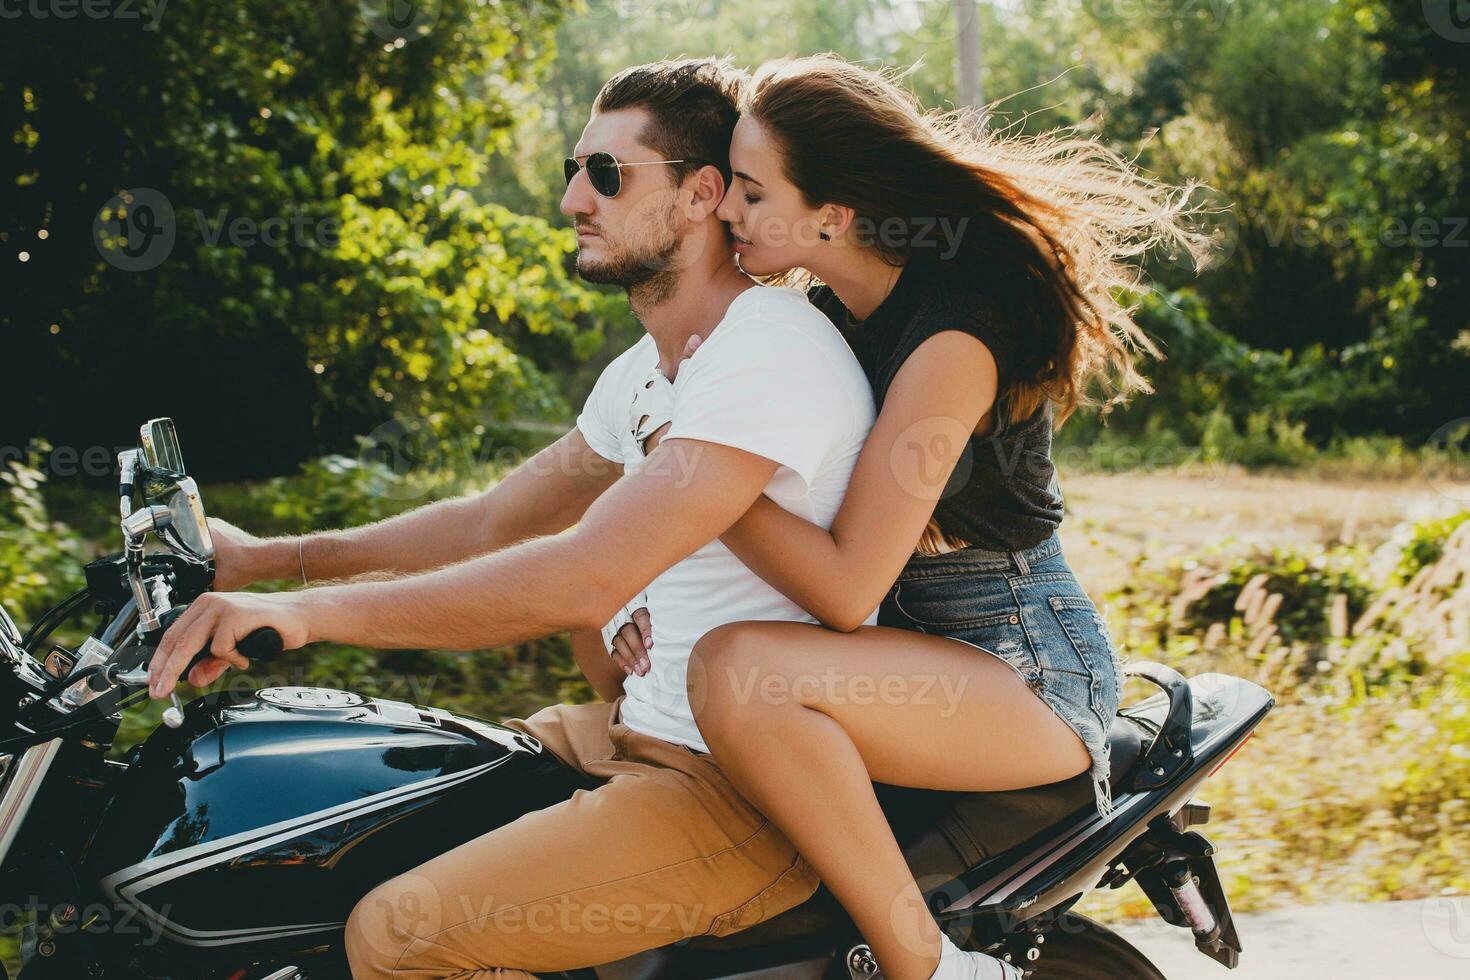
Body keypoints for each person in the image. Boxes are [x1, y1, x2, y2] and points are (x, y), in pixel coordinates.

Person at [145, 58, 880, 978]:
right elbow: (493, 521)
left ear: (702, 194)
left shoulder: (762, 350)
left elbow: (582, 573)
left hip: (736, 793)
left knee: (397, 933)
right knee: (344, 818)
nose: (575, 196)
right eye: (571, 171)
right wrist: (267, 563)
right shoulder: (647, 368)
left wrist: (306, 619)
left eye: (607, 174)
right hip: (622, 732)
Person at [600, 54, 1213, 980]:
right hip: (910, 649)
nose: (728, 209)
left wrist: (691, 479)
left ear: (833, 217)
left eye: (754, 193)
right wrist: (634, 591)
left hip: (1019, 667)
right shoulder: (824, 318)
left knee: (741, 672)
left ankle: (930, 967)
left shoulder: (955, 335)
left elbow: (846, 587)